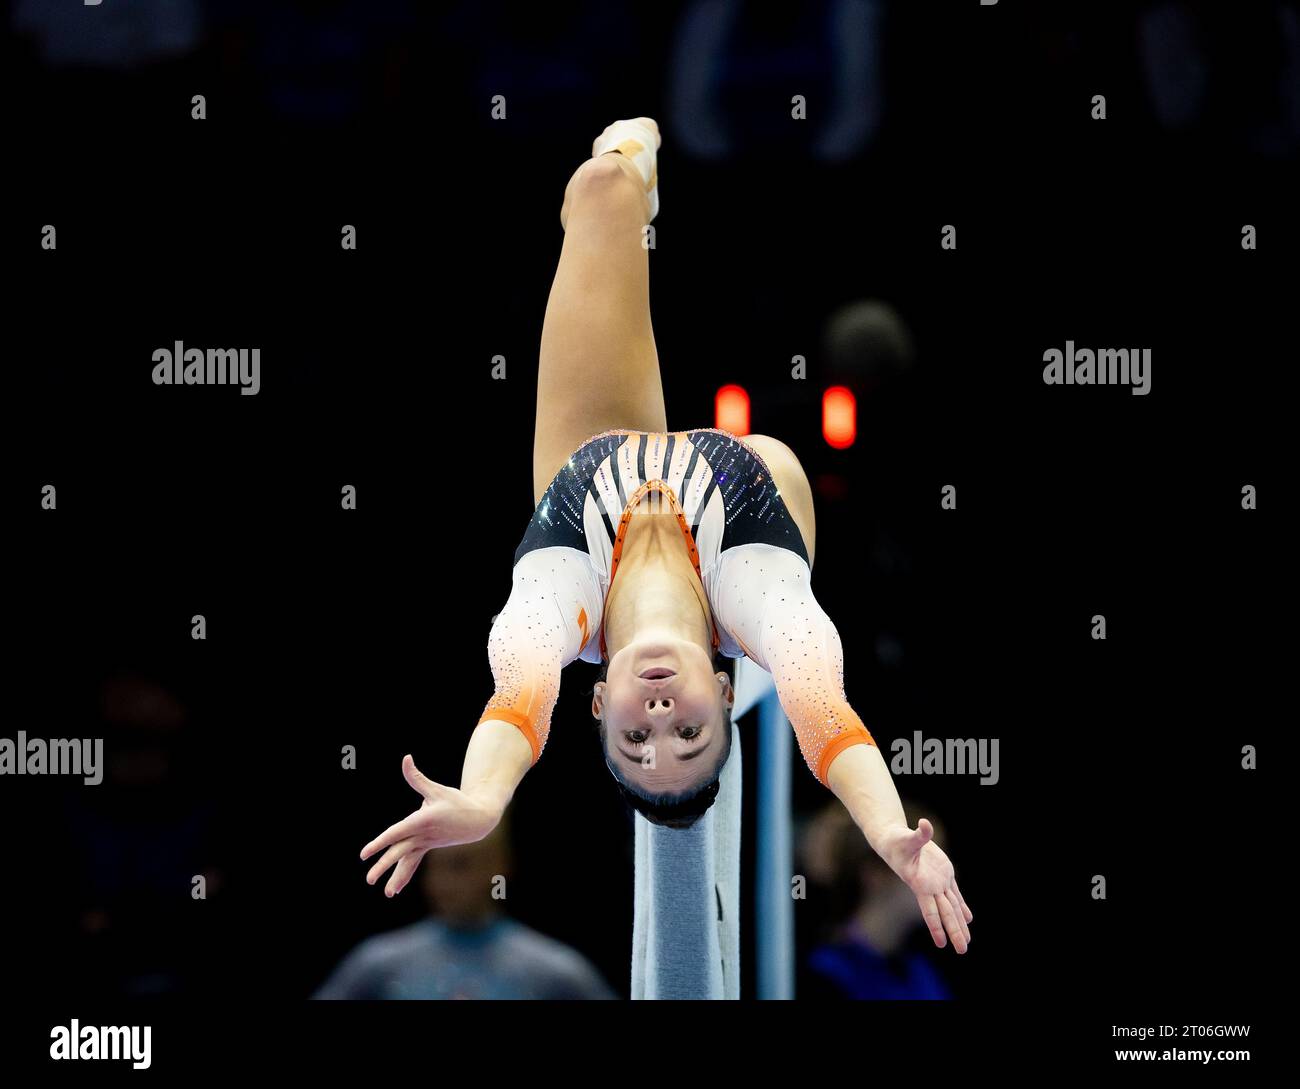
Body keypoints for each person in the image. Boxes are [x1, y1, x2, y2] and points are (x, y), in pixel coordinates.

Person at [361, 117, 973, 954]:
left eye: (634, 737)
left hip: (596, 472)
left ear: (599, 703)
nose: (657, 714)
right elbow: (825, 717)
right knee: (776, 473)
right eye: (688, 733)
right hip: (750, 496)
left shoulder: (556, 599)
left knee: (601, 190)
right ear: (726, 695)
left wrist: (483, 799)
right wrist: (887, 829)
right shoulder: (759, 598)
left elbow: (516, 703)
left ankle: (633, 189)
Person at [320, 819, 614, 999]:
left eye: (460, 866)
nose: (443, 882)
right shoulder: (377, 965)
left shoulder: (556, 973)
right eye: (434, 867)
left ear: (499, 864)